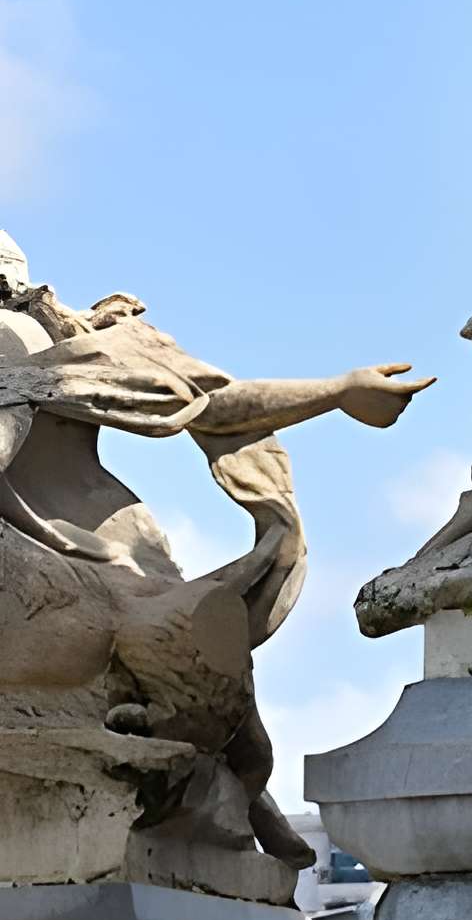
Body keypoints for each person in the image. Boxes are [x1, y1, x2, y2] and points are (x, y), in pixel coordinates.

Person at [0, 234, 430, 867]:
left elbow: (208, 400)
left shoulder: (61, 340)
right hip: (48, 562)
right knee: (173, 640)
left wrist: (338, 390)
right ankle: (251, 801)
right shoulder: (45, 346)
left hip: (101, 561)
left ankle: (249, 795)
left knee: (183, 642)